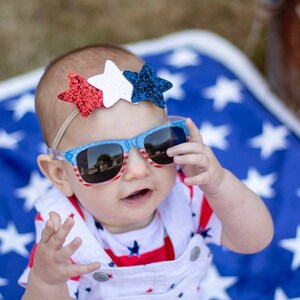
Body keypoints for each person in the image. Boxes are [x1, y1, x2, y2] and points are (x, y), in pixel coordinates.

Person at [19, 44, 274, 300]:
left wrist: (219, 185)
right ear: (60, 175)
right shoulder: (65, 232)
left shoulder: (188, 194)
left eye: (157, 144)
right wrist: (47, 281)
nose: (139, 170)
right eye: (104, 160)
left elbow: (254, 240)